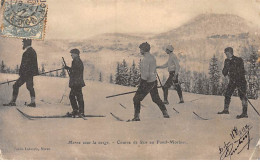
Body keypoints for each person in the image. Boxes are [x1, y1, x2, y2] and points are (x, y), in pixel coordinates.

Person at [131, 42, 170, 121]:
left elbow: (145, 75)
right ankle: (165, 112)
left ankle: (136, 117)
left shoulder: (145, 60)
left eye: (141, 49)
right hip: (153, 81)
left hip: (147, 82)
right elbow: (152, 70)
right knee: (155, 98)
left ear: (144, 50)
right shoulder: (152, 57)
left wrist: (142, 85)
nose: (140, 51)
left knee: (136, 99)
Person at [3, 39, 38, 107]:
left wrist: (22, 73)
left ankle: (13, 102)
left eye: (24, 43)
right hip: (29, 74)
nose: (23, 44)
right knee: (29, 87)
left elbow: (25, 65)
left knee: (16, 86)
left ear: (27, 43)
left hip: (26, 74)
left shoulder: (27, 52)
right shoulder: (32, 51)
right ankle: (33, 102)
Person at [218, 47, 248, 119]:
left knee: (242, 96)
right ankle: (226, 110)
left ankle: (244, 113)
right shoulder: (226, 61)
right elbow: (224, 72)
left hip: (241, 80)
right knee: (227, 94)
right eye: (225, 53)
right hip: (232, 81)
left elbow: (242, 71)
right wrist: (226, 69)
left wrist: (237, 78)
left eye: (227, 53)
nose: (226, 55)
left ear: (231, 52)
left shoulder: (239, 60)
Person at [64, 49, 85, 117]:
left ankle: (77, 111)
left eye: (72, 54)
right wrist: (69, 68)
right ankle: (79, 111)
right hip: (78, 82)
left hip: (76, 82)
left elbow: (75, 71)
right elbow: (75, 70)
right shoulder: (77, 61)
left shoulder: (76, 61)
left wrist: (69, 69)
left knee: (73, 96)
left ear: (76, 54)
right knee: (78, 96)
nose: (71, 55)